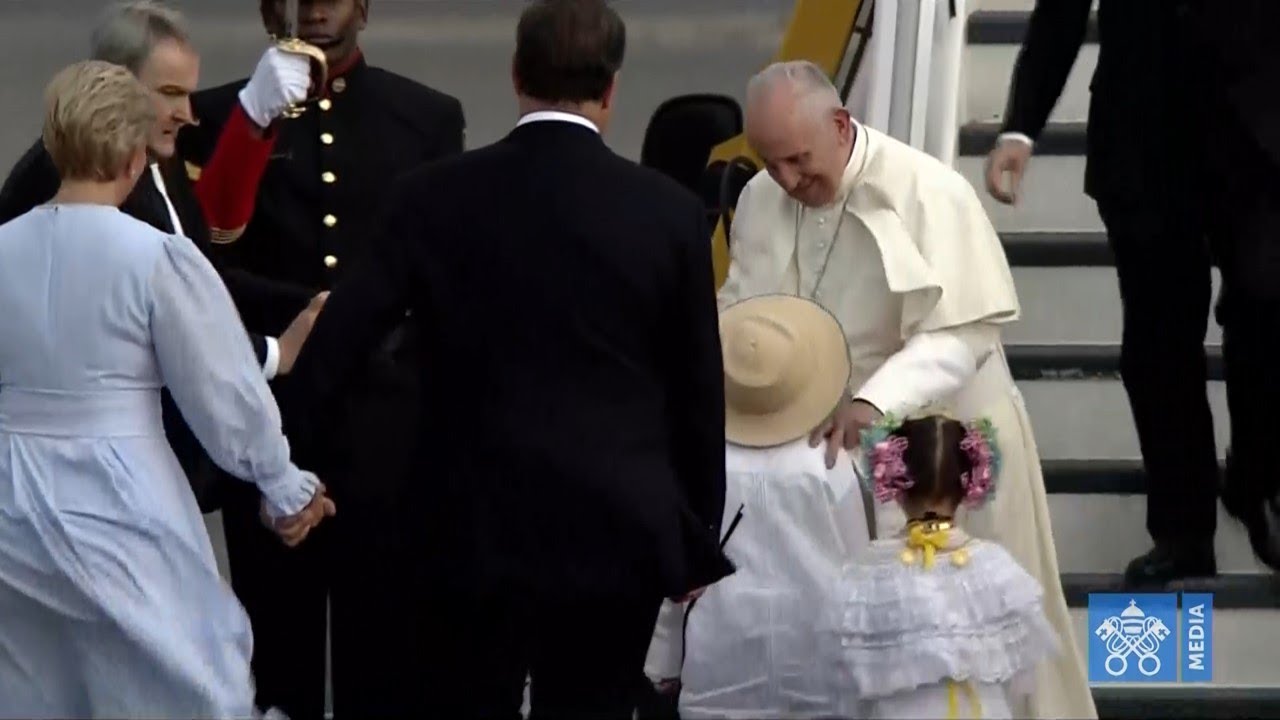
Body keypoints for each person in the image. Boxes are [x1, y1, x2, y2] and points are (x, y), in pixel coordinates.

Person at [279, 1, 734, 716]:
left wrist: (289, 467)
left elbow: (340, 342)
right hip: (616, 526)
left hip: (463, 521)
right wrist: (695, 531)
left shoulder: (430, 198)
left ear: (517, 75)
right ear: (612, 89)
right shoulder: (668, 211)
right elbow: (697, 391)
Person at [715, 60, 1095, 719]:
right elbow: (743, 306)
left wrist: (872, 403)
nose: (786, 181)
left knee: (978, 649)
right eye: (770, 164)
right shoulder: (760, 198)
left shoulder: (927, 191)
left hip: (941, 444)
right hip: (822, 451)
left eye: (799, 161)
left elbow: (962, 334)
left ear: (840, 126)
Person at [0, 59, 333, 720]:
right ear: (131, 157)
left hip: (10, 494)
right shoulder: (155, 257)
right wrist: (283, 482)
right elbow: (223, 391)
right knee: (183, 678)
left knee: (34, 684)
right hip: (119, 492)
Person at [175, 1, 466, 716]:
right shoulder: (217, 119)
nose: (316, 10)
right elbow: (200, 258)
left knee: (387, 643)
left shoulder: (423, 116)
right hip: (270, 410)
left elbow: (443, 267)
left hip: (385, 415)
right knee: (275, 644)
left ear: (364, 6)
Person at [0, 0, 326, 512]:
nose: (187, 114)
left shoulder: (154, 162)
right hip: (85, 482)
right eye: (171, 93)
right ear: (115, 88)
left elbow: (203, 276)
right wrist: (272, 353)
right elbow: (154, 319)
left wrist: (312, 303)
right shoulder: (66, 179)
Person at [981, 0, 1233, 585]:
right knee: (1156, 347)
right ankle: (1184, 532)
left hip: (1257, 135)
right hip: (1141, 143)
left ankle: (1258, 482)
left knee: (1263, 313)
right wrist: (1021, 126)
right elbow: (1060, 13)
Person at [654, 294, 871, 719]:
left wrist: (662, 657)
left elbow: (677, 574)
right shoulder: (827, 462)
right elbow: (859, 563)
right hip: (820, 648)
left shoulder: (701, 464)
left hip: (721, 644)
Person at [823, 415, 1058, 719]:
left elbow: (846, 678)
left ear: (895, 484)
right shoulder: (994, 566)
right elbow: (1018, 670)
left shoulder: (866, 573)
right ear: (969, 484)